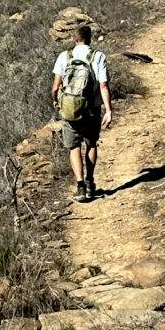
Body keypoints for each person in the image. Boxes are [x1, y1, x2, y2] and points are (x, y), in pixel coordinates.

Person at [51, 16, 115, 201]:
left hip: (70, 109)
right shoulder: (98, 56)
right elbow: (103, 86)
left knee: (73, 147)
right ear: (90, 39)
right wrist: (109, 110)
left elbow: (55, 87)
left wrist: (58, 104)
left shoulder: (64, 56)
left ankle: (79, 186)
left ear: (74, 39)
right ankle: (90, 182)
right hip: (92, 109)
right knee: (92, 144)